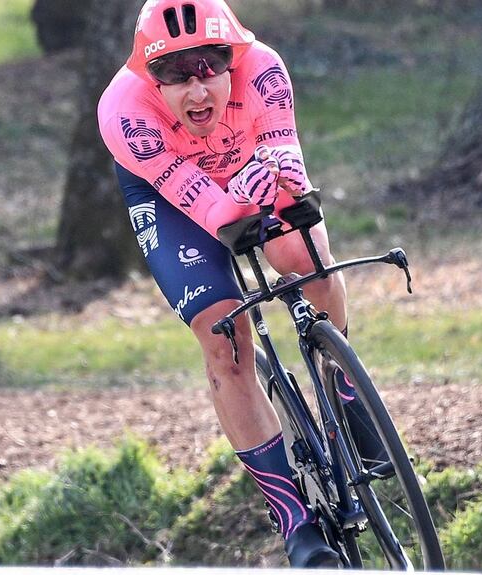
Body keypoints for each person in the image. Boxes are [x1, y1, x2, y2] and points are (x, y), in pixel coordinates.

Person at [98, 0, 385, 567]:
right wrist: (243, 200)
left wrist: (282, 192)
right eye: (175, 74)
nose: (197, 89)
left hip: (248, 161)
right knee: (223, 336)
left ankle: (346, 399)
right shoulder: (125, 112)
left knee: (307, 255)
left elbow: (290, 177)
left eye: (209, 66)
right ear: (149, 77)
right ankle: (294, 520)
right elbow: (214, 212)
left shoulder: (265, 70)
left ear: (234, 59)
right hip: (174, 197)